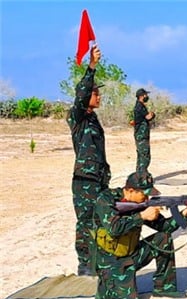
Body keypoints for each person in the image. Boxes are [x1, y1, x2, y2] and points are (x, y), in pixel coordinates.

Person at [93, 171, 187, 299]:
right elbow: (114, 228)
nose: (147, 197)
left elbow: (165, 227)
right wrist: (141, 216)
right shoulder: (105, 199)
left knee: (163, 238)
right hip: (111, 262)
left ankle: (164, 287)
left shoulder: (142, 203)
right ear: (130, 190)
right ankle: (106, 284)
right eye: (144, 193)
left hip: (132, 254)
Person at [66, 45, 111, 276]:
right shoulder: (78, 117)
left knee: (101, 219)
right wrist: (91, 66)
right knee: (86, 222)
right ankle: (85, 264)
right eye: (96, 93)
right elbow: (82, 93)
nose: (99, 96)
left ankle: (98, 260)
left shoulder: (93, 120)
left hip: (99, 179)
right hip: (85, 181)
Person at [133, 88, 155, 174]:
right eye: (146, 94)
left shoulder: (139, 105)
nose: (147, 96)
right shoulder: (140, 106)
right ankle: (142, 175)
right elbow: (148, 117)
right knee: (144, 155)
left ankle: (139, 175)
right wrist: (153, 114)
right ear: (142, 96)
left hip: (140, 134)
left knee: (141, 154)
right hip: (141, 135)